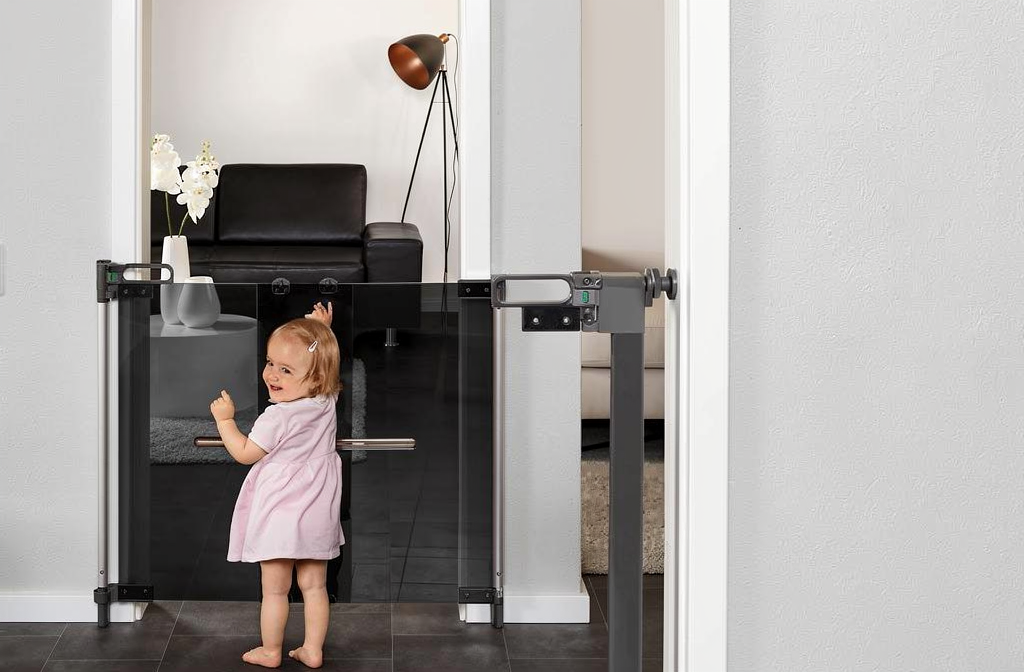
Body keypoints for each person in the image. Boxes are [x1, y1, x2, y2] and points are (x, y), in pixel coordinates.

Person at [210, 301, 341, 669]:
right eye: (270, 363)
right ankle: (312, 649)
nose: (273, 375)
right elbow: (326, 363)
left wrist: (225, 422)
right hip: (318, 510)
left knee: (275, 590)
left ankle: (271, 651)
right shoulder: (326, 401)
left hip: (280, 516)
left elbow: (245, 453)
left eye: (286, 370)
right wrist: (323, 331)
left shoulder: (277, 417)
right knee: (315, 586)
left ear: (314, 378)